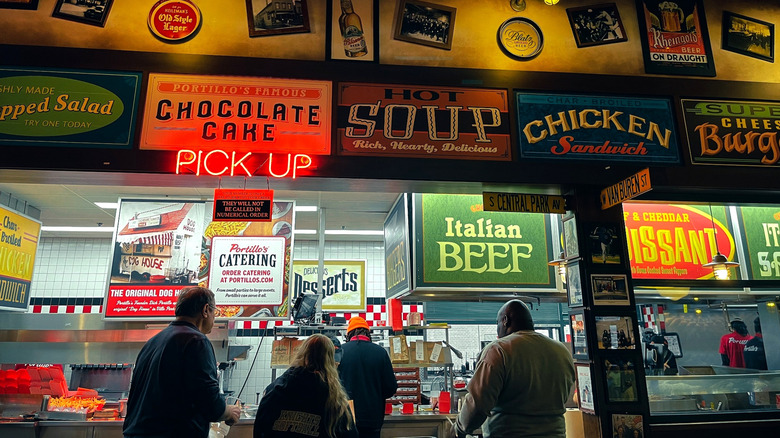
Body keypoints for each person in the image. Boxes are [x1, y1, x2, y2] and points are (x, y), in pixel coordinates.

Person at [123, 286, 241, 438]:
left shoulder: (153, 342)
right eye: (214, 312)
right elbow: (208, 401)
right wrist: (228, 412)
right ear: (205, 310)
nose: (214, 318)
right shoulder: (197, 341)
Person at [450, 300, 575, 438]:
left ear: (505, 320)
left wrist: (459, 430)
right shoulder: (561, 351)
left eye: (496, 324)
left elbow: (477, 405)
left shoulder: (498, 350)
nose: (497, 331)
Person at [253, 334, 357, 438]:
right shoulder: (334, 399)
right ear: (329, 360)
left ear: (302, 354)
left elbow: (260, 429)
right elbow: (349, 434)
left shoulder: (275, 390)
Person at [337, 317, 398, 438]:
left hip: (345, 417)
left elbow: (331, 384)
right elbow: (391, 388)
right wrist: (375, 395)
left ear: (349, 334)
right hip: (372, 418)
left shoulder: (340, 352)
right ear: (368, 333)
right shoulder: (380, 352)